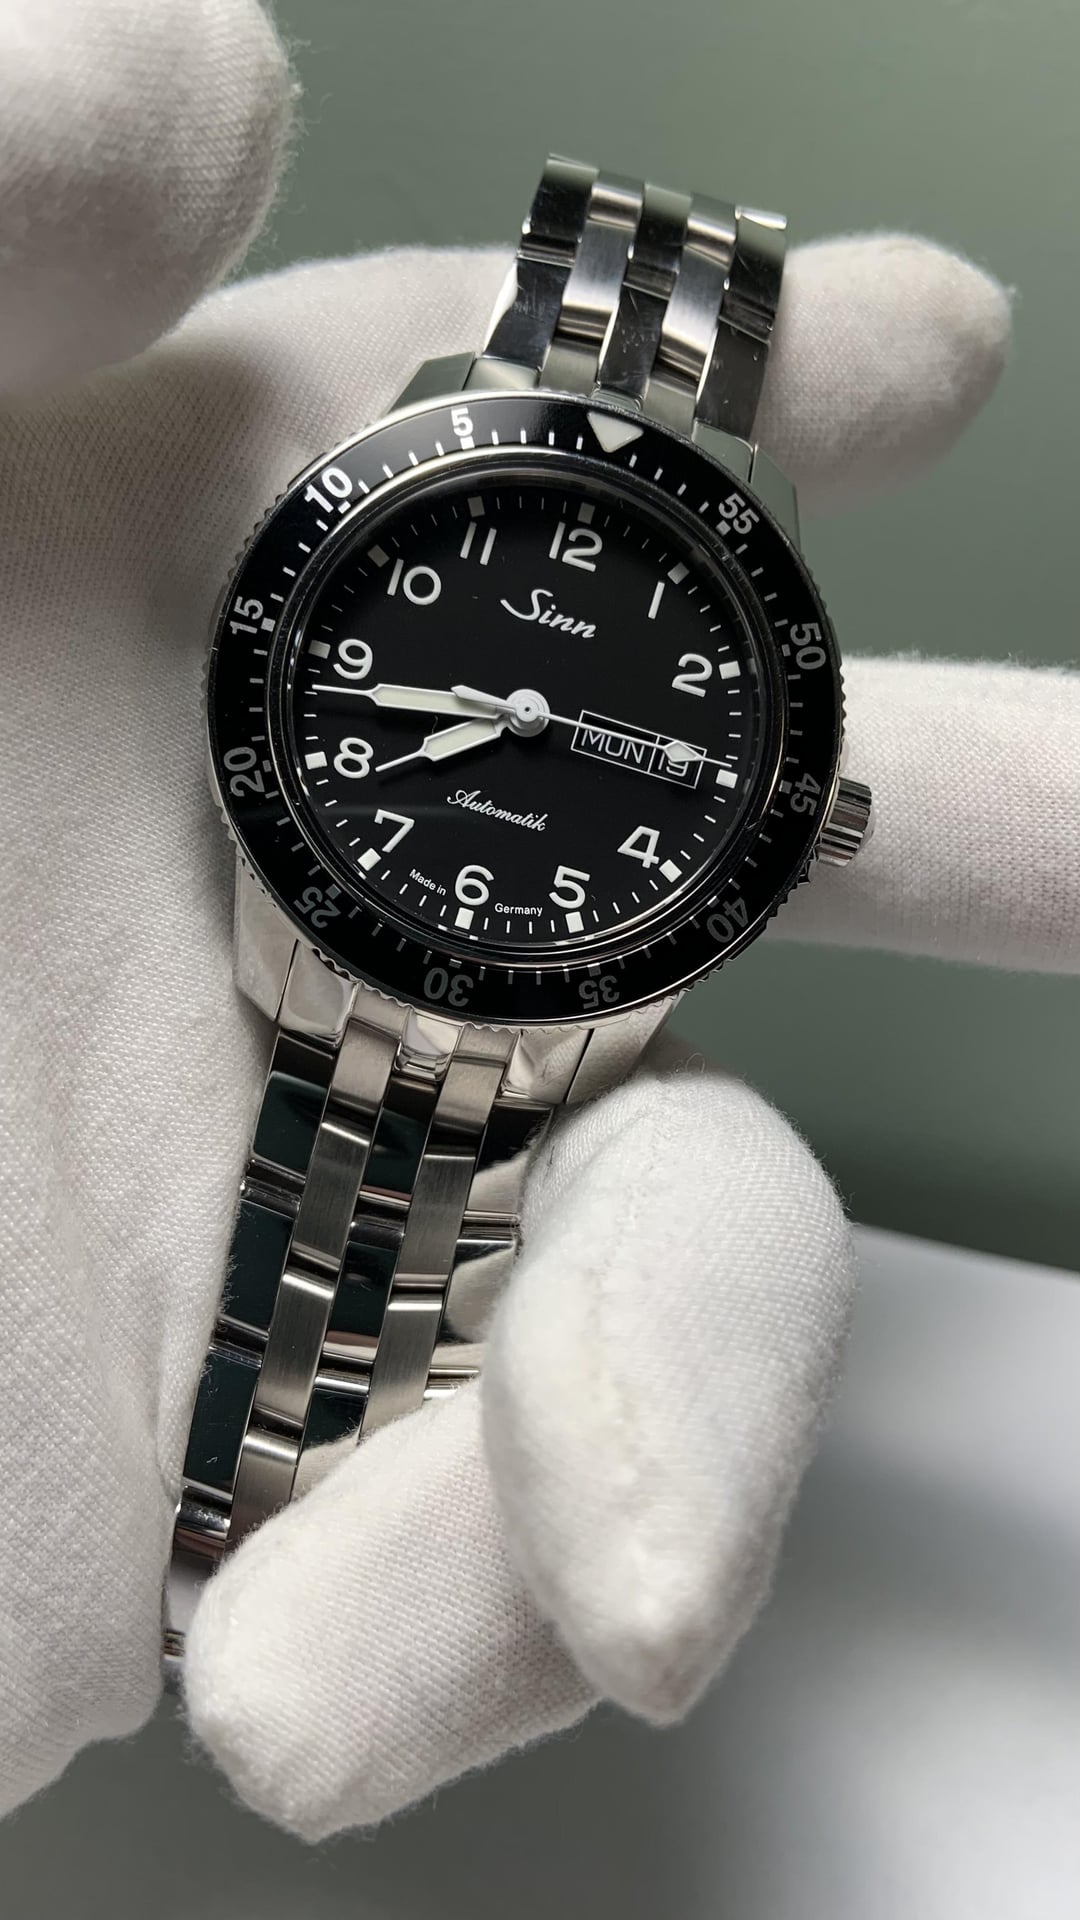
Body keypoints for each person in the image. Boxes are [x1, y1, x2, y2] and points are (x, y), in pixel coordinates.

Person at [1, 0, 1076, 1846]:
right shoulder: (328, 511)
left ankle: (264, 1521)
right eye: (492, 698)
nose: (517, 714)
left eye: (556, 714)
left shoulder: (728, 770)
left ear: (797, 804)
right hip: (328, 934)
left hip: (501, 1002)